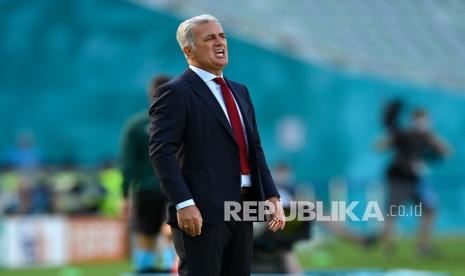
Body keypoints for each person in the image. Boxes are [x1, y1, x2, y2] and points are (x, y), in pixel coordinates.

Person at [148, 14, 285, 276]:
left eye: (222, 36)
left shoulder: (240, 90)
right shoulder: (174, 92)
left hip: (242, 208)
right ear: (188, 50)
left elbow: (254, 148)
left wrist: (271, 195)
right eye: (209, 38)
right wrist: (183, 203)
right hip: (201, 209)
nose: (219, 42)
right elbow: (160, 150)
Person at [379, 101, 450, 257]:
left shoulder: (427, 137)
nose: (422, 123)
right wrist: (393, 137)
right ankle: (388, 247)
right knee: (392, 213)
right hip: (399, 178)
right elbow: (380, 146)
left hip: (417, 180)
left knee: (429, 210)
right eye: (419, 120)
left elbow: (446, 151)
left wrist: (431, 136)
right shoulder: (404, 134)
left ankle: (422, 247)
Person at [120, 75, 174, 273]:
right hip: (177, 190)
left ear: (150, 92)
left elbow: (128, 164)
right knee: (175, 235)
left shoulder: (136, 125)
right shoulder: (181, 122)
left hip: (147, 189)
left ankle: (145, 268)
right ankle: (172, 266)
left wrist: (125, 195)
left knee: (146, 236)